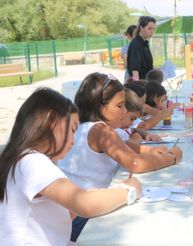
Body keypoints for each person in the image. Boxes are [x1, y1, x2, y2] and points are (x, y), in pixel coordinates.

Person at [0, 88, 141, 245]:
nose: (73, 140)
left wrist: (89, 197)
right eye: (73, 129)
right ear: (51, 122)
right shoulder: (33, 163)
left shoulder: (19, 159)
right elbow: (85, 203)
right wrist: (129, 191)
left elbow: (52, 214)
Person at [58, 73, 182, 241]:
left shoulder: (85, 127)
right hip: (80, 218)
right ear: (100, 107)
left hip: (69, 211)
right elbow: (136, 163)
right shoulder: (101, 131)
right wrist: (171, 157)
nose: (124, 111)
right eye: (120, 106)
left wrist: (152, 151)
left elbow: (128, 147)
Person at [127, 16, 156, 80]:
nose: (152, 31)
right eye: (149, 28)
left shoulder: (145, 43)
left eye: (154, 29)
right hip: (140, 84)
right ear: (141, 28)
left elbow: (146, 67)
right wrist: (138, 86)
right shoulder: (136, 44)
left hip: (146, 82)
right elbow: (135, 70)